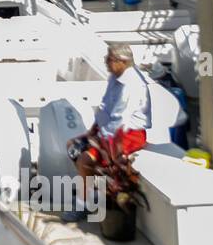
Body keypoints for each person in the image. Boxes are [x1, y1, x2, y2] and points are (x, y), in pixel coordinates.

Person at [63, 43, 150, 221]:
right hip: (109, 131)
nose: (106, 63)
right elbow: (104, 109)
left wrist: (98, 141)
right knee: (72, 145)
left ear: (121, 62)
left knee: (84, 159)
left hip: (127, 134)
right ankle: (94, 191)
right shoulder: (115, 77)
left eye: (109, 60)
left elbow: (119, 121)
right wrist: (91, 132)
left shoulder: (130, 85)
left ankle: (84, 204)